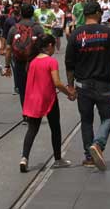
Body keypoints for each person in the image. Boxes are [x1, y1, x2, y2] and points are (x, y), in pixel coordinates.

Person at [65, 0, 110, 170]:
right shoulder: (108, 33)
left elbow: (69, 63)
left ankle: (89, 157)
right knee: (108, 117)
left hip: (83, 85)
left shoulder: (76, 34)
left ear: (84, 14)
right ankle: (98, 144)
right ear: (99, 14)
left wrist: (70, 86)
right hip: (104, 84)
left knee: (86, 120)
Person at [20, 34, 75, 172]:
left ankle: (24, 158)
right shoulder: (51, 61)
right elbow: (57, 83)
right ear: (50, 45)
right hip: (48, 99)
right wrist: (69, 93)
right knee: (55, 128)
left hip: (33, 99)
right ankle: (58, 159)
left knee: (32, 129)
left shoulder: (32, 61)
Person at [6, 4, 44, 109]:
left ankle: (26, 112)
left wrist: (7, 65)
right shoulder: (37, 28)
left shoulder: (14, 28)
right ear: (32, 14)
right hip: (35, 62)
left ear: (21, 14)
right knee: (35, 87)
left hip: (19, 62)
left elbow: (8, 48)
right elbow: (43, 47)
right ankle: (35, 109)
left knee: (22, 89)